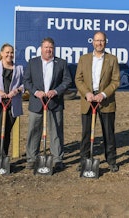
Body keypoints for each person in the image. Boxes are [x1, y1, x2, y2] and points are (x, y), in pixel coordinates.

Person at [23, 37, 72, 171]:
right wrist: (35, 92)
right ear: (41, 49)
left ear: (53, 49)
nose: (48, 50)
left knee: (56, 132)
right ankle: (32, 159)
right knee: (34, 131)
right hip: (36, 103)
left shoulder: (61, 63)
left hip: (54, 103)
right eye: (46, 47)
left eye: (51, 47)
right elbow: (26, 81)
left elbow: (67, 81)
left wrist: (56, 91)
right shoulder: (33, 63)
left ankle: (57, 159)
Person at [75, 31, 121, 172]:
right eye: (97, 40)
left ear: (105, 42)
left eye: (102, 40)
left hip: (105, 101)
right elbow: (78, 79)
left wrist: (103, 94)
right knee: (86, 133)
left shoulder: (112, 59)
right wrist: (87, 93)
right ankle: (85, 160)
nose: (99, 43)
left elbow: (116, 81)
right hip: (88, 100)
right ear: (92, 42)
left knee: (108, 133)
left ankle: (111, 160)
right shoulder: (84, 58)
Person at [0, 43, 24, 158]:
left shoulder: (19, 68)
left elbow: (24, 84)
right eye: (7, 52)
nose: (9, 55)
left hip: (12, 104)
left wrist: (16, 91)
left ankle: (4, 158)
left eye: (11, 52)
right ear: (2, 53)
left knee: (7, 132)